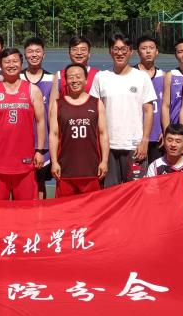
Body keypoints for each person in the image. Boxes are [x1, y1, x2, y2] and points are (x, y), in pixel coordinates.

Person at [89, 34, 156, 186]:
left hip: (134, 146)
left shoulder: (142, 77)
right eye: (116, 49)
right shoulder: (101, 77)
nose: (120, 53)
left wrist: (144, 141)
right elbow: (94, 111)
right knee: (110, 193)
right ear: (110, 51)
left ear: (130, 51)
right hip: (108, 146)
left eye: (124, 49)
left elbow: (148, 111)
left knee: (135, 192)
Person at [0, 48, 46, 200]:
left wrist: (39, 150)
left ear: (21, 64)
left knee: (26, 209)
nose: (11, 65)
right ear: (1, 65)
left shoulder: (33, 90)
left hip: (26, 162)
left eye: (15, 61)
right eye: (7, 62)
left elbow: (41, 121)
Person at [49, 63, 108, 196]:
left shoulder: (96, 103)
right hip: (65, 171)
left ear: (86, 80)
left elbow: (103, 134)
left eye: (78, 77)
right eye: (70, 77)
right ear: (65, 81)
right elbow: (53, 134)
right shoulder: (58, 105)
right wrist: (54, 162)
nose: (74, 80)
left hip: (91, 170)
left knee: (92, 207)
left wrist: (104, 161)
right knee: (65, 207)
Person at [22, 37, 55, 198]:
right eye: (30, 51)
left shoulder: (52, 79)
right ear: (25, 55)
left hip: (43, 144)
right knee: (22, 183)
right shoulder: (17, 78)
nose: (34, 55)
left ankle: (40, 212)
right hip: (21, 142)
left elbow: (53, 113)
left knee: (40, 183)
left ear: (44, 54)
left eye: (37, 51)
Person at [135, 35, 165, 163]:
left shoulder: (164, 76)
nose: (148, 51)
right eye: (144, 48)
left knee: (156, 174)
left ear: (157, 52)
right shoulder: (132, 75)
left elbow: (167, 107)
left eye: (151, 48)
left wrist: (166, 131)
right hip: (136, 137)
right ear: (138, 52)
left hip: (158, 137)